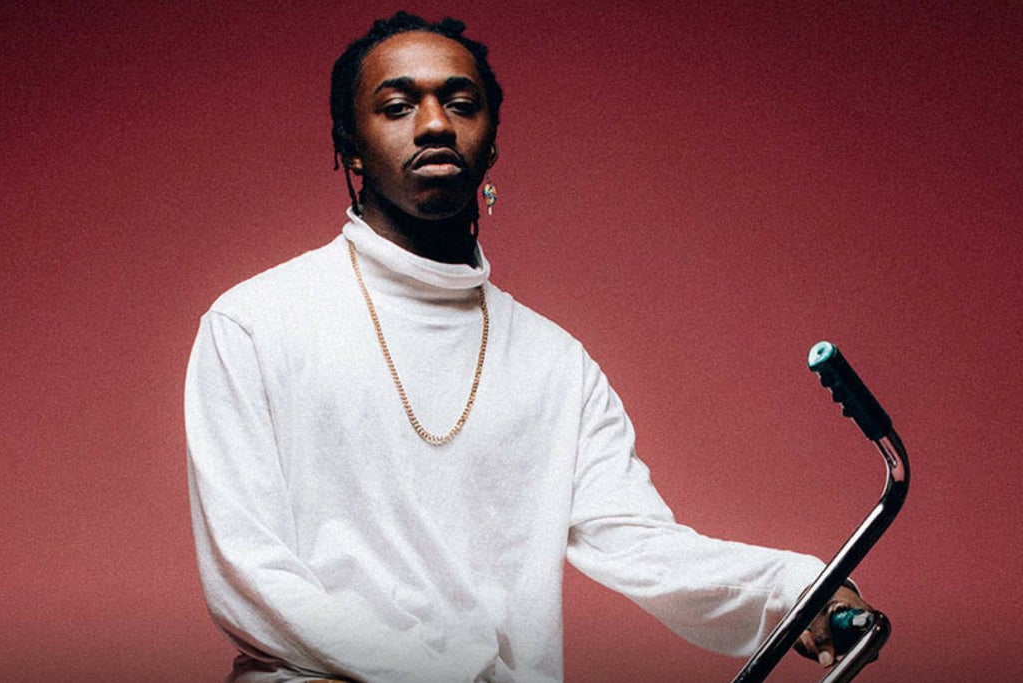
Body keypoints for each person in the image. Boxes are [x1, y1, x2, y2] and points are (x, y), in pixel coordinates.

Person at [185, 11, 869, 683]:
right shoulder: (255, 324)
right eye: (397, 106)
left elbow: (643, 547)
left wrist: (797, 589)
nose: (434, 124)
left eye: (461, 103)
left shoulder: (556, 366)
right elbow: (249, 573)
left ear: (492, 144)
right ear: (350, 147)